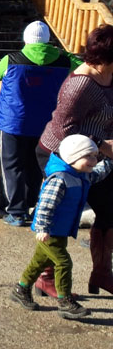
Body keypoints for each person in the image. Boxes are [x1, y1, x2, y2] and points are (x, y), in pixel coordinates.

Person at [33, 24, 113, 297]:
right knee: (59, 216)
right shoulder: (79, 85)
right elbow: (64, 134)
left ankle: (102, 274)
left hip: (99, 157)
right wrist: (100, 145)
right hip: (62, 157)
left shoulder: (109, 76)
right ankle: (45, 278)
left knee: (109, 211)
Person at [0, 21, 82, 227]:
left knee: (12, 166)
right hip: (46, 123)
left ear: (26, 39)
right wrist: (65, 54)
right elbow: (80, 66)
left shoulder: (11, 59)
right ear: (48, 40)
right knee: (35, 165)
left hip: (14, 122)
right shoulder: (64, 62)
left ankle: (16, 212)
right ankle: (31, 205)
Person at [10, 135, 111, 319]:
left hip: (60, 231)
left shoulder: (81, 174)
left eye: (95, 156)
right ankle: (65, 302)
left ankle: (21, 289)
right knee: (63, 263)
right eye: (88, 156)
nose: (93, 160)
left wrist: (110, 161)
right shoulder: (59, 179)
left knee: (40, 262)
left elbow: (98, 173)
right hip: (50, 231)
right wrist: (42, 228)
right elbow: (45, 206)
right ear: (73, 157)